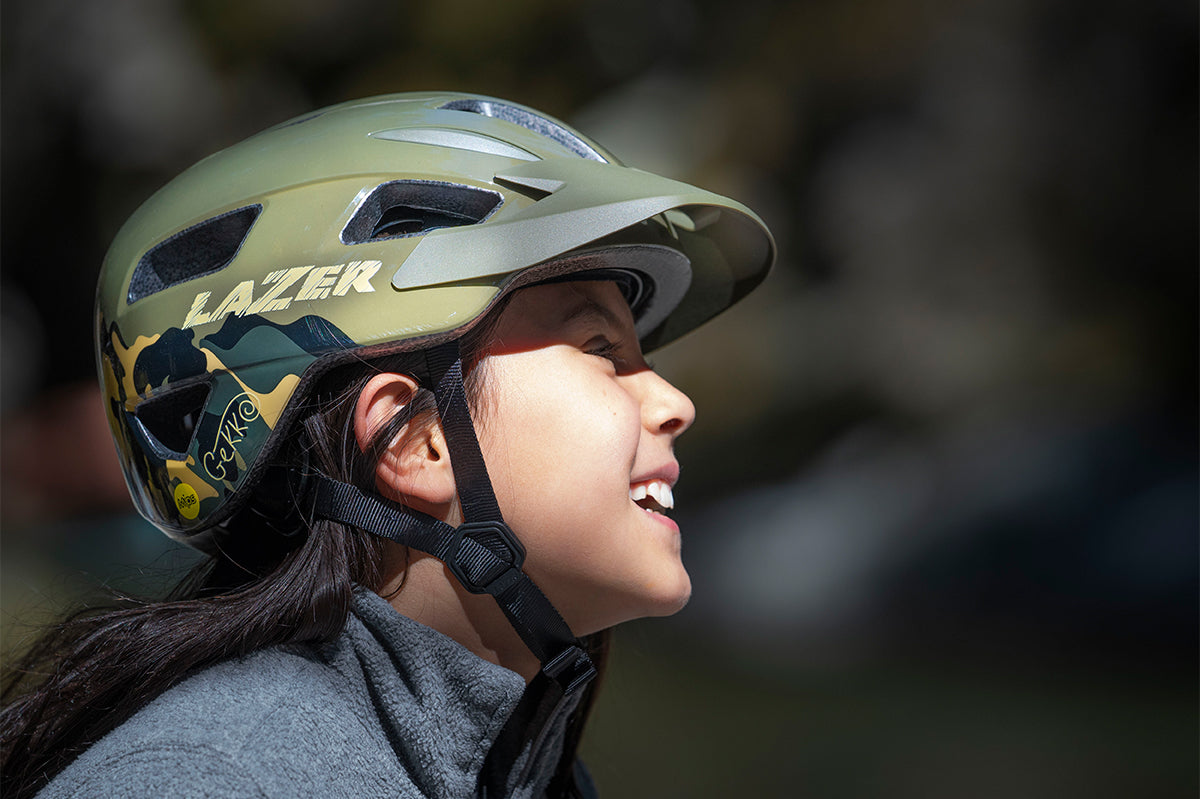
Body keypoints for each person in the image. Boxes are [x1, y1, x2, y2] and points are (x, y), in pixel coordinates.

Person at [0, 91, 774, 798]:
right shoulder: (208, 780)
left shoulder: (526, 773)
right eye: (602, 347)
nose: (675, 402)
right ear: (416, 440)